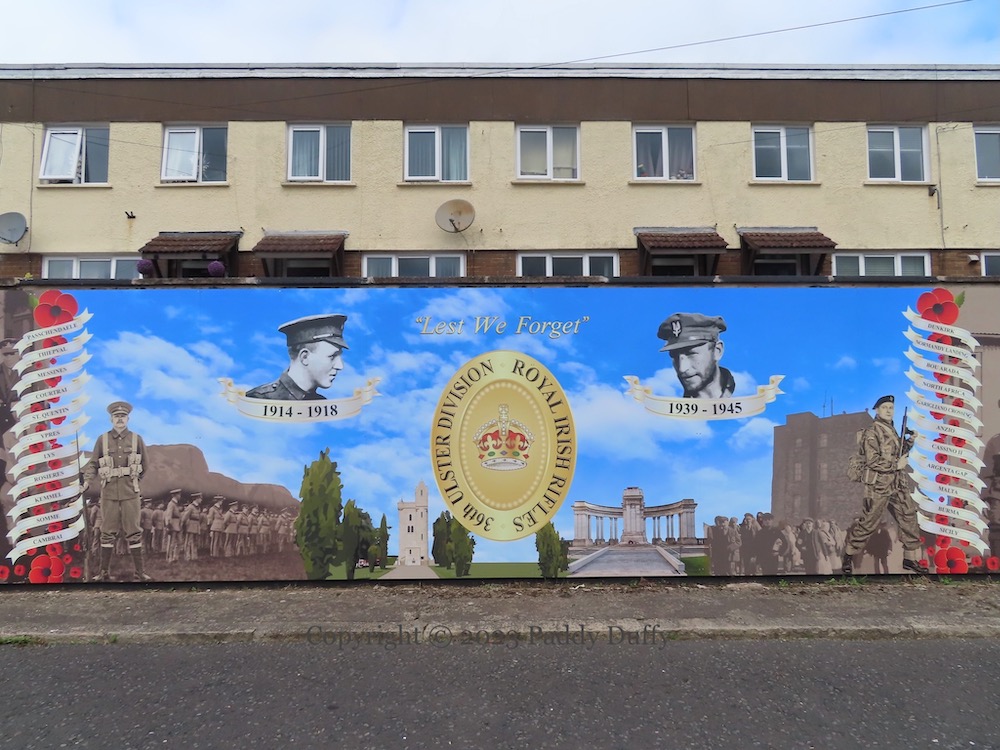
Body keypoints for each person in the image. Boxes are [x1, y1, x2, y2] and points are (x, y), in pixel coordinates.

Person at [842, 395, 927, 575]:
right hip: (878, 485)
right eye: (884, 407)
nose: (888, 410)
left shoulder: (892, 431)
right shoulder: (872, 432)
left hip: (897, 483)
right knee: (869, 522)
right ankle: (848, 556)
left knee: (908, 516)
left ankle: (910, 559)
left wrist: (910, 441)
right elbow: (872, 460)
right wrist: (895, 465)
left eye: (891, 407)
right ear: (877, 410)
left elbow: (898, 453)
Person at [82, 401, 151, 582]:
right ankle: (103, 572)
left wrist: (134, 480)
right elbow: (93, 464)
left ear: (128, 419)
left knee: (134, 530)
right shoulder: (102, 440)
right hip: (109, 493)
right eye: (116, 416)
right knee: (107, 531)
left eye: (123, 416)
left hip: (130, 493)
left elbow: (145, 465)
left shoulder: (136, 439)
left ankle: (140, 573)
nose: (120, 419)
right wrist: (87, 481)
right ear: (111, 419)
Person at [245, 314, 348, 401]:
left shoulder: (321, 403)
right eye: (332, 356)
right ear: (304, 357)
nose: (340, 366)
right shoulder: (258, 400)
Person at [657, 313, 735, 399]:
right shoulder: (668, 403)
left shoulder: (743, 397)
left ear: (717, 351)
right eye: (674, 356)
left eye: (691, 354)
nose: (682, 368)